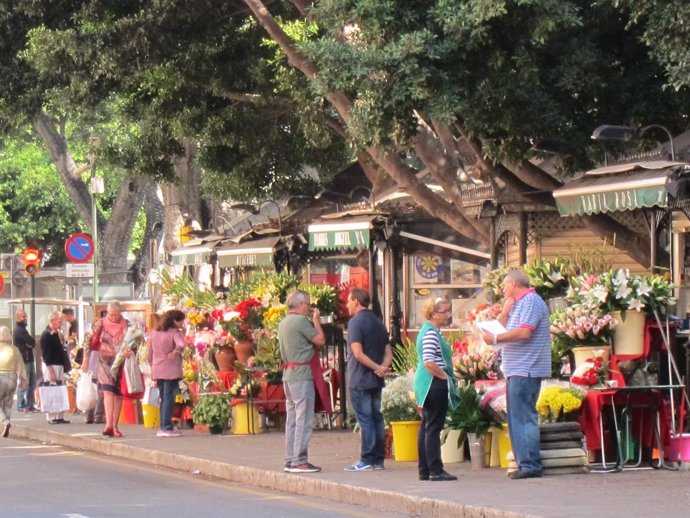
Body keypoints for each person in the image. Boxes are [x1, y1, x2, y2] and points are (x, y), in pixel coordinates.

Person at [481, 269, 551, 480]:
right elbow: (503, 329)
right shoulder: (518, 304)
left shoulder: (531, 301)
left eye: (504, 286)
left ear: (513, 283)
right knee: (516, 418)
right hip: (516, 368)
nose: (502, 290)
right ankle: (524, 462)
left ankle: (530, 464)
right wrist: (505, 311)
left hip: (526, 368)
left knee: (523, 416)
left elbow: (524, 332)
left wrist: (494, 339)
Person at [344, 287, 392, 472]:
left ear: (356, 301)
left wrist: (376, 367)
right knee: (377, 418)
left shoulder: (356, 323)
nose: (347, 305)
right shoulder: (378, 322)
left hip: (360, 378)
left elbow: (357, 353)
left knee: (365, 420)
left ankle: (367, 459)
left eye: (349, 301)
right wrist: (383, 367)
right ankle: (378, 459)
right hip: (375, 380)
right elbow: (388, 351)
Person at [278, 289, 325, 473]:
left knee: (291, 420)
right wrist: (316, 322)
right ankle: (300, 460)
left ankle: (290, 459)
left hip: (289, 374)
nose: (309, 307)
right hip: (302, 374)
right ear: (300, 304)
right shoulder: (300, 321)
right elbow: (320, 340)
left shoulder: (283, 322)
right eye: (307, 304)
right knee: (303, 419)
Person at [413, 296, 459, 481]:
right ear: (433, 313)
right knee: (433, 427)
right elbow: (430, 362)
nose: (447, 315)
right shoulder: (431, 333)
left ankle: (425, 470)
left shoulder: (430, 331)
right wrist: (445, 377)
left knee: (426, 426)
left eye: (448, 310)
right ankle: (435, 469)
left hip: (426, 383)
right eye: (444, 311)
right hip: (433, 383)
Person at [82, 301, 129, 437]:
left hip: (121, 362)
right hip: (105, 362)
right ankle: (108, 424)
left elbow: (133, 343)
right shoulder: (101, 323)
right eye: (111, 314)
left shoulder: (126, 324)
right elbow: (89, 340)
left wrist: (130, 351)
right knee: (108, 392)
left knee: (119, 394)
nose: (113, 317)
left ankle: (115, 425)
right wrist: (86, 359)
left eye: (116, 315)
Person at [147, 309, 186, 437]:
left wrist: (153, 364)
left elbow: (149, 353)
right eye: (181, 321)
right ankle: (167, 427)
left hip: (157, 368)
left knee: (163, 397)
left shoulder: (154, 333)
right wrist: (175, 352)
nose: (182, 324)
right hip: (170, 369)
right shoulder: (175, 333)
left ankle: (163, 426)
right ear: (174, 321)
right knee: (169, 397)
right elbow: (181, 344)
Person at [40, 311, 70, 424]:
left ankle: (59, 415)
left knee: (60, 389)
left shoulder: (56, 333)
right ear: (52, 321)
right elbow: (46, 354)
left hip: (59, 363)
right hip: (51, 364)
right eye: (59, 321)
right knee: (51, 389)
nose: (60, 323)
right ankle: (51, 416)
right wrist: (50, 370)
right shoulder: (46, 334)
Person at [0, 326, 27, 438]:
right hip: (12, 377)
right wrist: (23, 378)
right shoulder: (14, 349)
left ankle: (5, 422)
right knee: (8, 403)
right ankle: (6, 425)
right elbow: (20, 364)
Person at [13, 309, 38, 413]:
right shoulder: (19, 329)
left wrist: (30, 344)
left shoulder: (23, 329)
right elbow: (30, 341)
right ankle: (20, 405)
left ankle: (30, 405)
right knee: (24, 383)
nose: (25, 318)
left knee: (32, 383)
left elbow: (32, 343)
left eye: (26, 316)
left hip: (29, 358)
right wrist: (30, 344)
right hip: (24, 359)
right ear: (18, 317)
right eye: (23, 316)